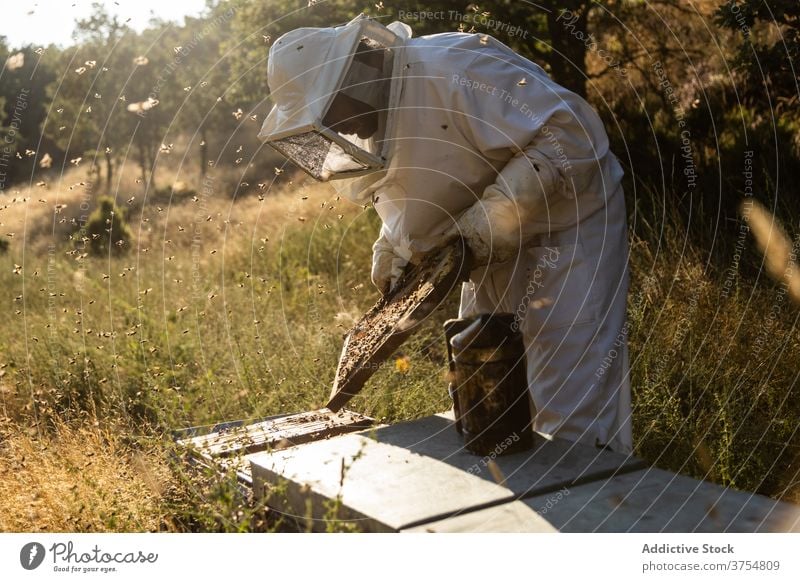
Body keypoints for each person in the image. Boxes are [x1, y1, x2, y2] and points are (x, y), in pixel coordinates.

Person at [258, 15, 633, 454]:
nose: (347, 130)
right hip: (482, 247)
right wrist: (395, 243)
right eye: (329, 121)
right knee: (490, 378)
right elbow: (419, 178)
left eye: (339, 113)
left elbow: (572, 134)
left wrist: (496, 216)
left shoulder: (455, 67)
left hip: (567, 228)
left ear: (354, 74)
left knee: (567, 384)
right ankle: (515, 510)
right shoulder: (377, 109)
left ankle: (592, 503)